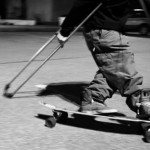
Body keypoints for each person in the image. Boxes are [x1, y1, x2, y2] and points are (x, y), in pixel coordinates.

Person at [57, 0, 150, 119]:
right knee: (123, 68)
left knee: (111, 70)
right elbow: (82, 3)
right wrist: (65, 30)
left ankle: (93, 98)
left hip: (108, 31)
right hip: (105, 31)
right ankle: (142, 103)